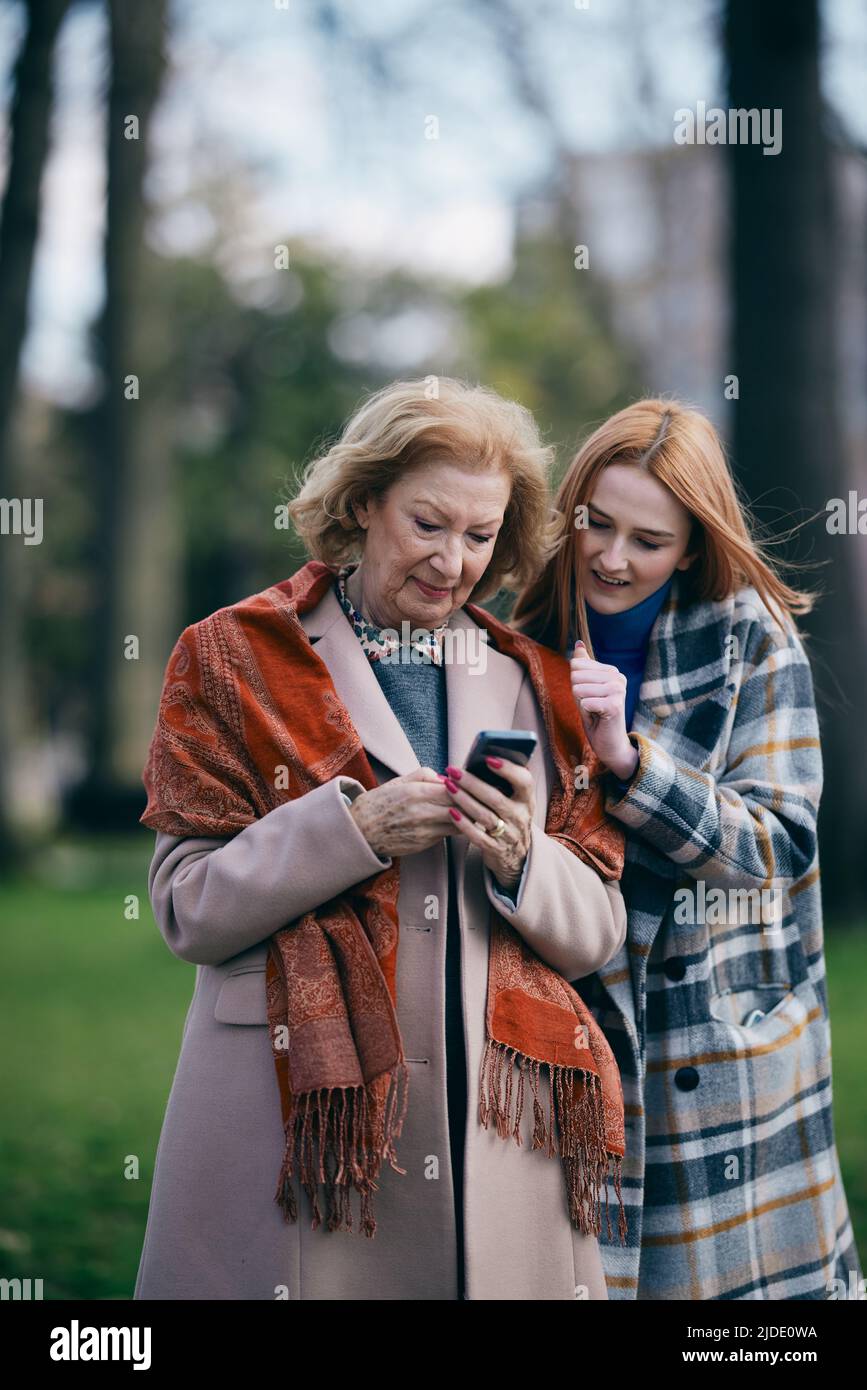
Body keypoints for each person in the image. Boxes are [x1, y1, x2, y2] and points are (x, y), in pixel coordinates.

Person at [133, 377, 628, 1302]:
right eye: (428, 524)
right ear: (362, 503)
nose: (452, 561)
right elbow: (185, 909)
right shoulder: (231, 652)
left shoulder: (534, 677)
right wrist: (350, 831)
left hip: (495, 1140)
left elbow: (596, 927)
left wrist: (525, 860)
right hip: (293, 1121)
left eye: (480, 536)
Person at [510, 397, 864, 1301]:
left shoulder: (750, 636)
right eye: (596, 523)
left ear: (693, 545)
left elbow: (775, 849)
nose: (613, 558)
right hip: (571, 1029)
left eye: (649, 540)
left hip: (717, 1041)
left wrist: (629, 761)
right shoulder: (522, 629)